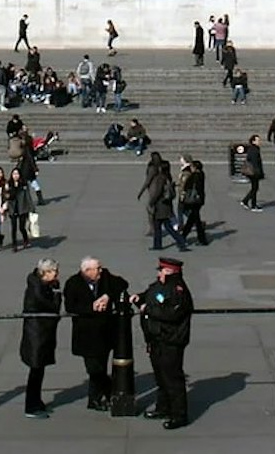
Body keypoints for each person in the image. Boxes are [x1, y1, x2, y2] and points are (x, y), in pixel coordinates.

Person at [132, 256, 194, 429]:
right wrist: (140, 298)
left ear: (169, 272)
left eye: (161, 270)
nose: (159, 273)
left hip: (170, 340)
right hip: (156, 338)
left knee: (172, 378)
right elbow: (151, 294)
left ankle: (179, 415)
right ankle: (163, 407)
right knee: (161, 377)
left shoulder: (178, 290)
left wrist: (148, 309)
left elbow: (172, 314)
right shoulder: (160, 285)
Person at [63, 256, 128, 410]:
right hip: (86, 334)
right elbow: (71, 307)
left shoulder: (105, 276)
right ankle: (109, 390)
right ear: (87, 271)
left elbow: (122, 283)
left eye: (99, 267)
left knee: (101, 366)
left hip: (105, 332)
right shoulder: (73, 283)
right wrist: (91, 307)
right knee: (94, 368)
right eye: (97, 269)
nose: (100, 270)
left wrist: (107, 295)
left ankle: (95, 399)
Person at [20, 257, 62, 417]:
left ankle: (36, 401)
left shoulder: (40, 284)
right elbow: (53, 307)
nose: (57, 275)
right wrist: (57, 293)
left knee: (38, 371)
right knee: (36, 371)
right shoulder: (38, 288)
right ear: (45, 273)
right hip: (37, 336)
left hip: (40, 334)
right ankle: (31, 406)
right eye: (54, 272)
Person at [177, 158, 209, 246]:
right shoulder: (201, 174)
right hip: (199, 200)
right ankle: (200, 239)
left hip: (194, 200)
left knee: (193, 220)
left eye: (192, 166)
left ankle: (183, 237)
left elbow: (188, 186)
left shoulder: (195, 176)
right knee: (194, 220)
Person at [6, 167, 36, 252]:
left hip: (22, 208)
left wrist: (32, 208)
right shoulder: (9, 184)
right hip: (13, 208)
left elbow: (28, 196)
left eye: (17, 174)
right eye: (14, 174)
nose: (15, 176)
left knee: (21, 227)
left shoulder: (24, 184)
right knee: (13, 227)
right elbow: (5, 196)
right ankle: (14, 245)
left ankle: (25, 239)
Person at [239, 135, 265, 211]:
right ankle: (250, 203)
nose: (259, 142)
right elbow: (255, 163)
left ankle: (248, 202)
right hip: (254, 172)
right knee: (255, 188)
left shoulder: (254, 148)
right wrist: (258, 173)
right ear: (253, 141)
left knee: (254, 188)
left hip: (253, 171)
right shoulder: (254, 150)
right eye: (258, 140)